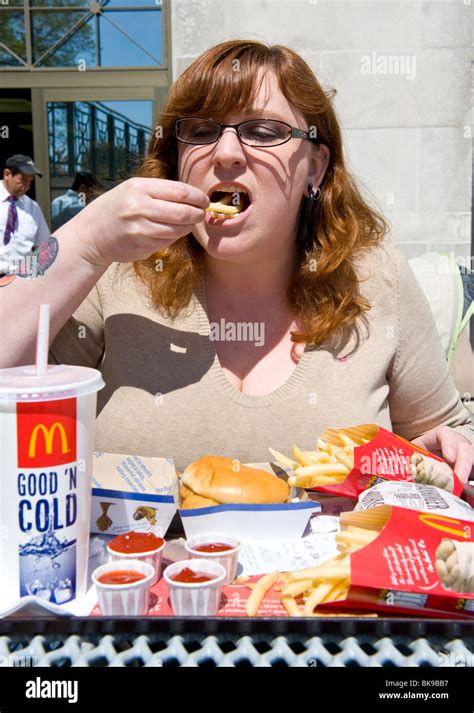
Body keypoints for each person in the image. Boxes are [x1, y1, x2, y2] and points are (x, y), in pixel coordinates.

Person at [1, 40, 473, 481]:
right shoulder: (120, 270)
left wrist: (441, 451)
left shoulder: (375, 276)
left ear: (315, 166)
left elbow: (447, 433)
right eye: (202, 131)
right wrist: (84, 239)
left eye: (263, 131)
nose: (225, 153)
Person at [0, 154, 50, 275]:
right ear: (7, 174)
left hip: (22, 280)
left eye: (30, 181)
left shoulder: (33, 208)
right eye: (22, 180)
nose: (27, 186)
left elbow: (44, 246)